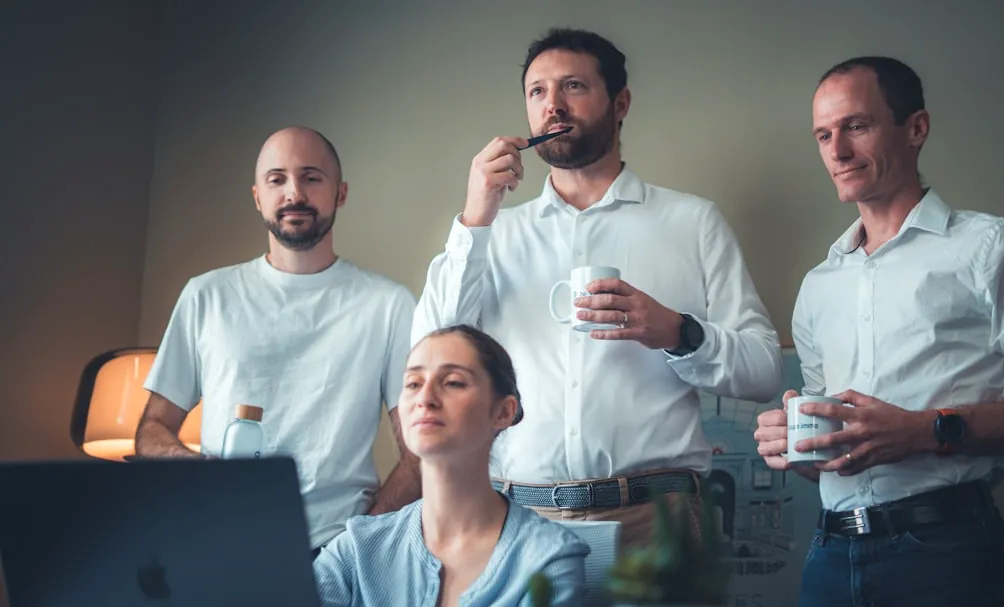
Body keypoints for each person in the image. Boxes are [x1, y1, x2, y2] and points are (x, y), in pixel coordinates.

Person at [412, 28, 782, 550]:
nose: (553, 106)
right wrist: (475, 218)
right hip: (519, 526)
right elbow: (428, 351)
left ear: (621, 102)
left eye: (573, 87)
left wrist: (677, 332)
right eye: (538, 92)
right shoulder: (493, 232)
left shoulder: (692, 222)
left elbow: (764, 370)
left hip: (660, 521)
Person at [753, 56, 1004, 606]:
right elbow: (833, 459)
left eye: (857, 126)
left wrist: (924, 430)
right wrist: (798, 448)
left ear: (917, 128)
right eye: (823, 135)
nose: (837, 151)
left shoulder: (992, 248)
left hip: (945, 554)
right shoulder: (818, 284)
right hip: (828, 556)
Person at [135, 126, 421, 554]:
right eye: (277, 179)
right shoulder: (206, 295)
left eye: (311, 177)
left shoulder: (389, 305)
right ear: (257, 196)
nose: (294, 193)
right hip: (215, 545)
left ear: (340, 193)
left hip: (336, 553)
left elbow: (420, 452)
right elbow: (151, 430)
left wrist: (359, 544)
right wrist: (194, 469)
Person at [313, 325, 589, 606]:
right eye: (413, 383)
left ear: (503, 412)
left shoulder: (548, 559)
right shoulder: (356, 550)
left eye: (453, 382)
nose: (425, 398)